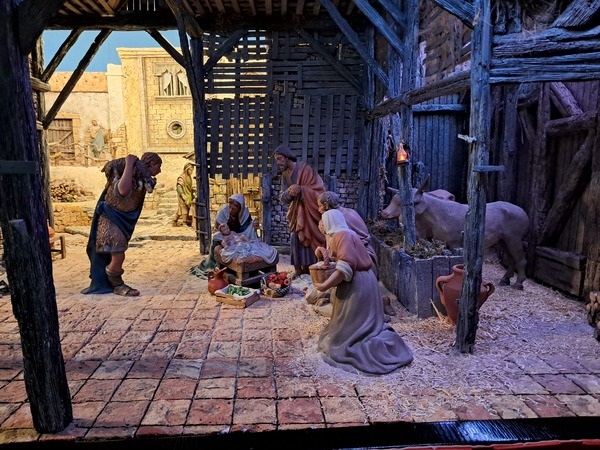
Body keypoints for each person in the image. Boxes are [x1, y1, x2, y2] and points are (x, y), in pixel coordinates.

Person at [313, 209, 413, 375]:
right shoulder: (344, 234)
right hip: (362, 281)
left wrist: (324, 286)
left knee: (353, 325)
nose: (321, 225)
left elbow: (344, 269)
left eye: (322, 221)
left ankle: (358, 343)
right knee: (348, 322)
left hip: (358, 285)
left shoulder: (342, 236)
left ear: (330, 221)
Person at [81, 152, 162, 296]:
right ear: (151, 164)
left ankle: (110, 283)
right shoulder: (127, 176)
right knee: (118, 254)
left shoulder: (141, 178)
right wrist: (129, 164)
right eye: (158, 166)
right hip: (110, 220)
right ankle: (118, 285)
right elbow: (122, 191)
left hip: (121, 220)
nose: (160, 170)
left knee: (118, 253)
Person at [274, 145, 325, 277]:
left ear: (287, 157)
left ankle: (312, 268)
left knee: (310, 238)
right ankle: (298, 269)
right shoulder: (285, 175)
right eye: (277, 160)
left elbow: (318, 189)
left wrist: (302, 190)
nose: (278, 163)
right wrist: (289, 192)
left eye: (280, 159)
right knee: (295, 238)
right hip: (296, 213)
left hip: (310, 212)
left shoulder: (305, 169)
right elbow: (282, 197)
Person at [189, 194, 259, 278]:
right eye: (230, 207)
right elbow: (218, 228)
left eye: (234, 209)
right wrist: (226, 236)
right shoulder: (224, 211)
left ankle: (244, 263)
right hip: (225, 235)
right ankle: (218, 265)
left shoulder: (245, 213)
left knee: (247, 240)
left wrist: (254, 225)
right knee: (217, 239)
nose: (231, 210)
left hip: (238, 235)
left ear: (240, 209)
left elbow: (247, 227)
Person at [317, 191, 378, 278]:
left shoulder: (336, 221)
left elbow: (334, 254)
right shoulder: (350, 211)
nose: (318, 210)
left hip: (358, 262)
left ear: (326, 205)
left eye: (320, 206)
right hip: (367, 258)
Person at [173, 162, 195, 227]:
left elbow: (188, 186)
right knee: (183, 208)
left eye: (192, 170)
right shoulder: (182, 177)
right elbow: (179, 186)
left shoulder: (189, 177)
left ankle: (174, 221)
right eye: (190, 170)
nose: (191, 172)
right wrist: (182, 195)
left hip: (188, 195)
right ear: (186, 169)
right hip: (182, 195)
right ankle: (184, 223)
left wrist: (192, 190)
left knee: (180, 209)